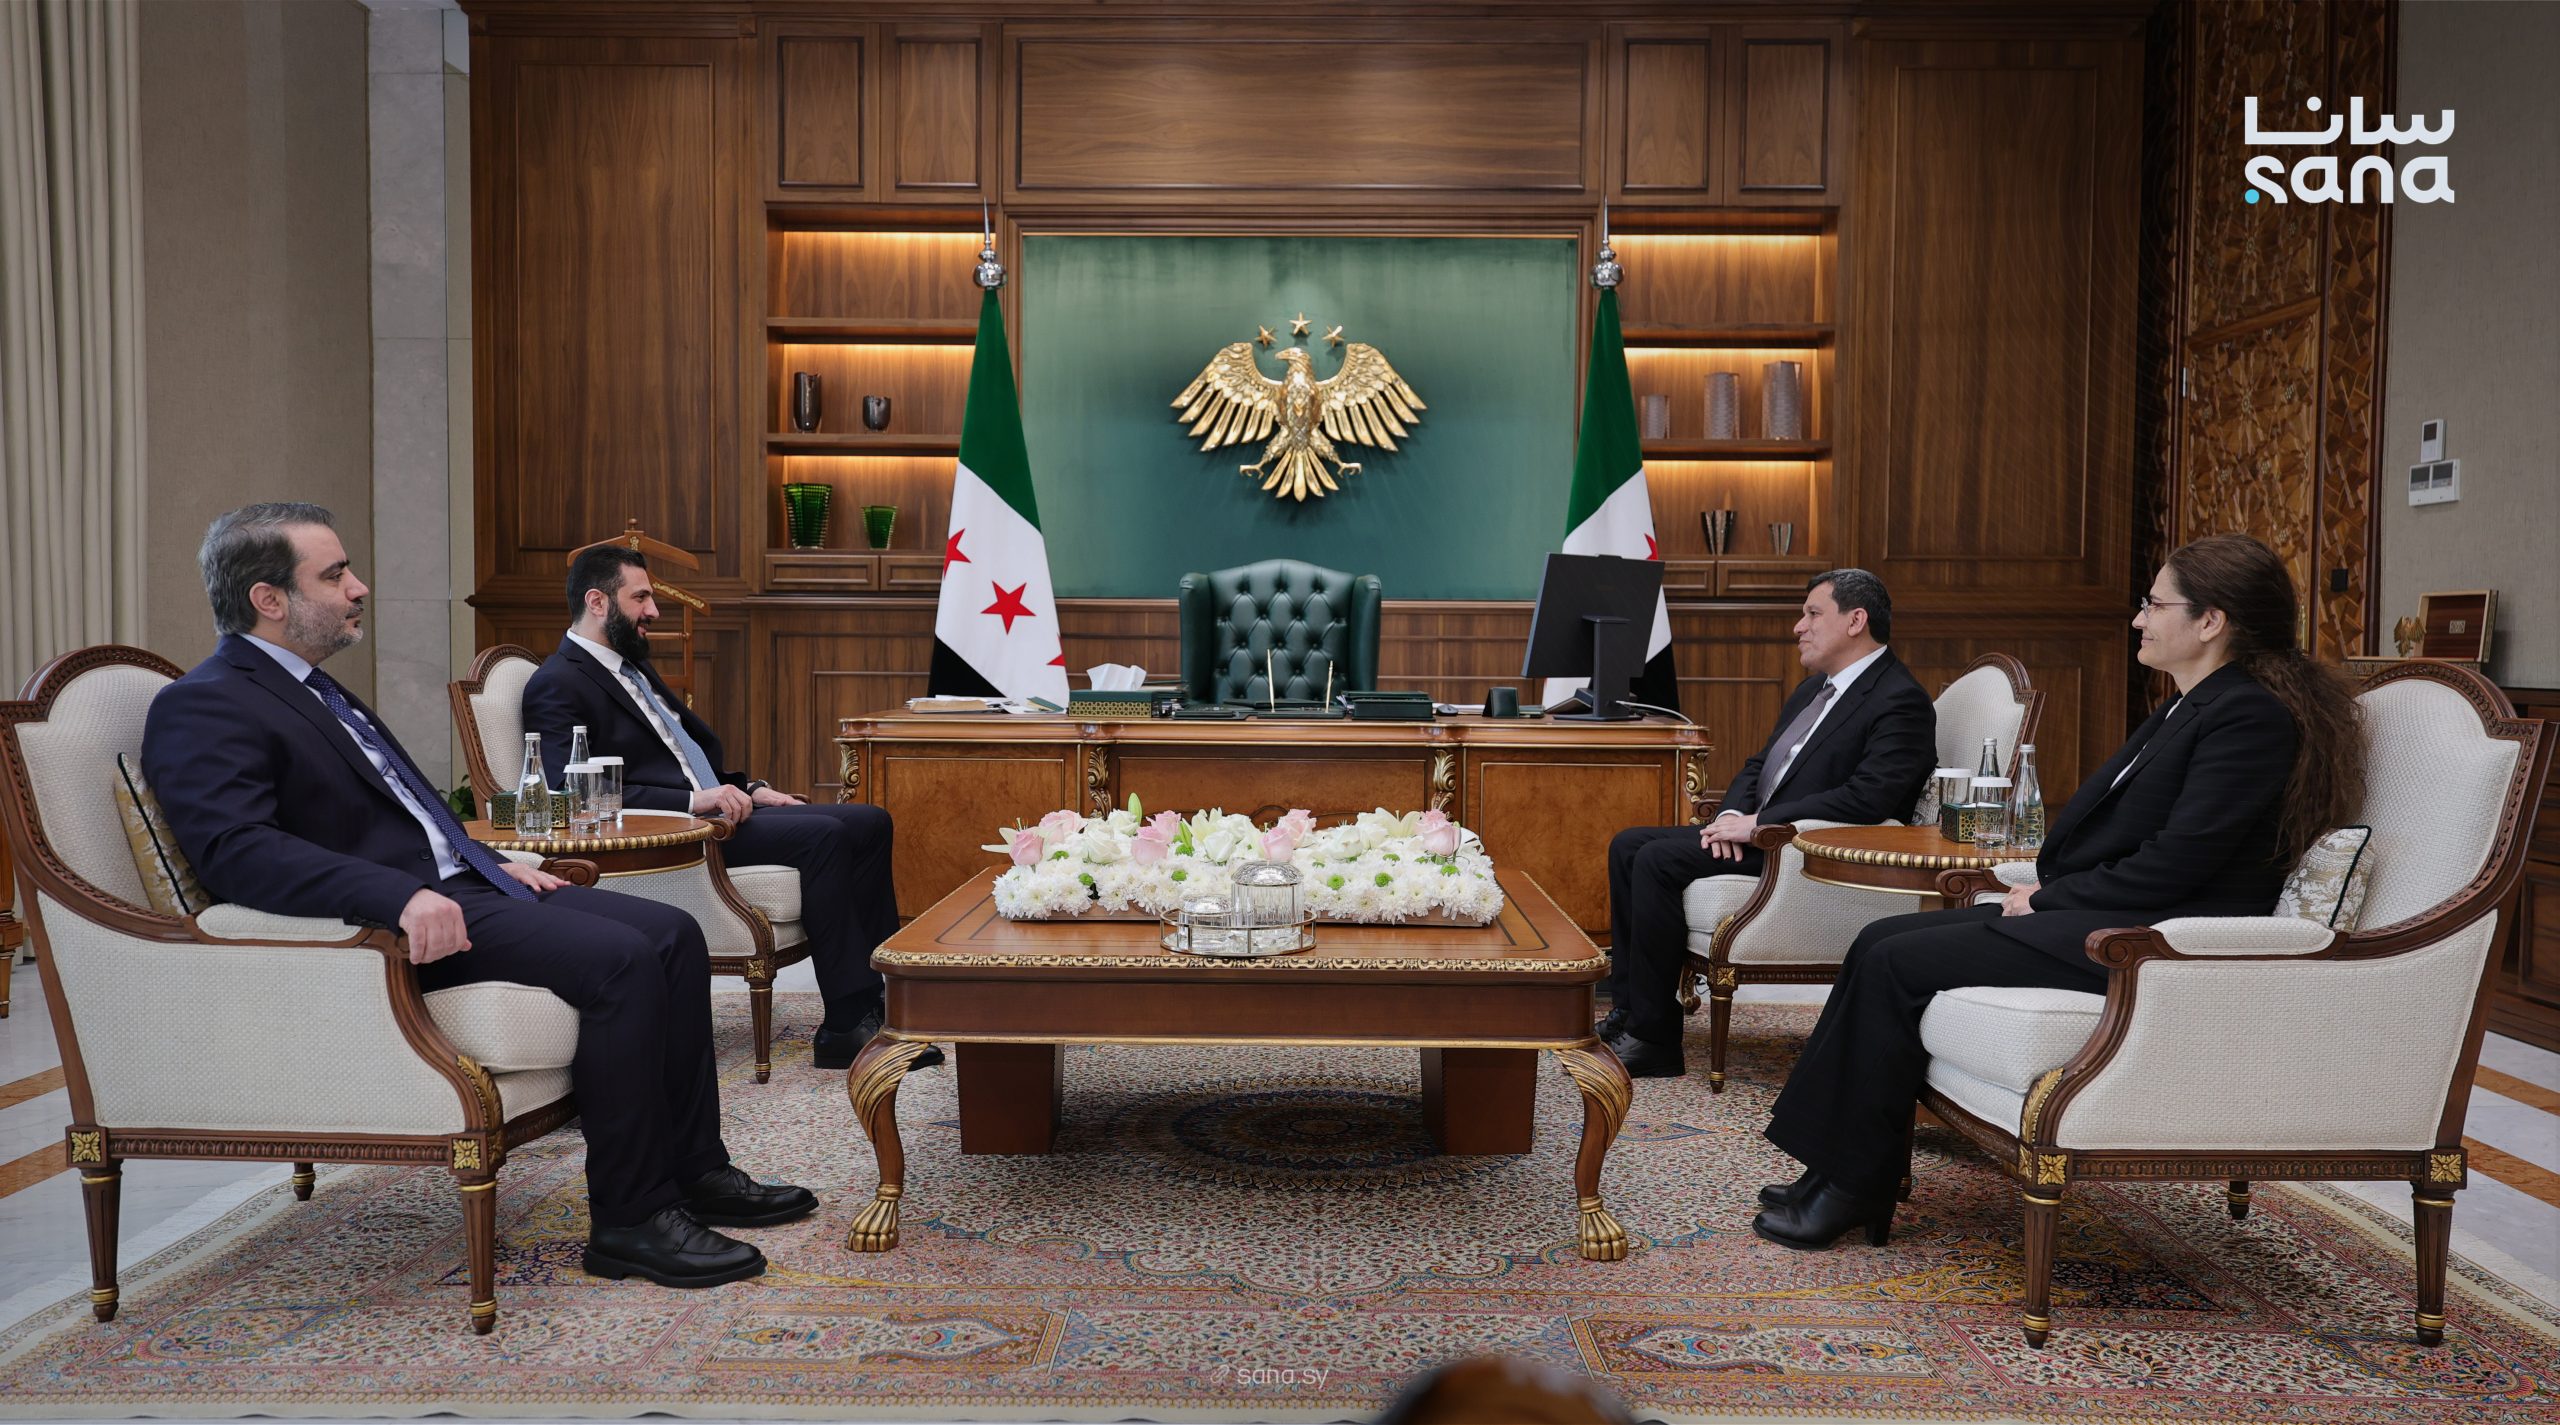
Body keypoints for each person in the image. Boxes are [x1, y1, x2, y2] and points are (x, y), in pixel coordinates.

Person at [143, 504, 814, 1288]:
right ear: (269, 599)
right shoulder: (207, 701)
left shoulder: (311, 688)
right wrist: (399, 895)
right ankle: (632, 1221)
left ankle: (696, 1169)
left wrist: (493, 860)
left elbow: (406, 808)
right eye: (335, 574)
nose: (359, 587)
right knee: (623, 959)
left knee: (674, 934)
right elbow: (238, 852)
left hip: (466, 887)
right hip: (399, 923)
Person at [1752, 533, 2365, 1249]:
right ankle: (1840, 1169)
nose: (2138, 619)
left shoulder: (2248, 716)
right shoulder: (2193, 704)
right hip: (2119, 912)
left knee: (1892, 957)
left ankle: (1853, 1184)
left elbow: (2179, 862)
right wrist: (2047, 883)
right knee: (1879, 940)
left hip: (2158, 938)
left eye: (2154, 605)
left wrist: (2045, 899)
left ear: (2210, 621)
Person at [521, 544, 938, 1071]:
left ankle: (884, 1002)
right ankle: (846, 1025)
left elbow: (681, 758)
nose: (654, 610)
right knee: (825, 835)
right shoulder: (556, 683)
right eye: (641, 598)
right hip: (676, 835)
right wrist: (696, 800)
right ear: (597, 602)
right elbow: (569, 791)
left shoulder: (631, 667)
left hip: (717, 811)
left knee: (870, 821)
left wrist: (750, 789)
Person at [1600, 569, 1936, 1077]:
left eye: (1813, 614)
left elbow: (1869, 798)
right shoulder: (1813, 690)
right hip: (1762, 832)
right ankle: (1629, 1014)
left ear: (1856, 621)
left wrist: (1761, 824)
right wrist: (1733, 815)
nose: (1799, 627)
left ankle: (1655, 1039)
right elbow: (1761, 764)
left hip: (1807, 849)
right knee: (1628, 844)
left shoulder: (1899, 698)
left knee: (1657, 859)